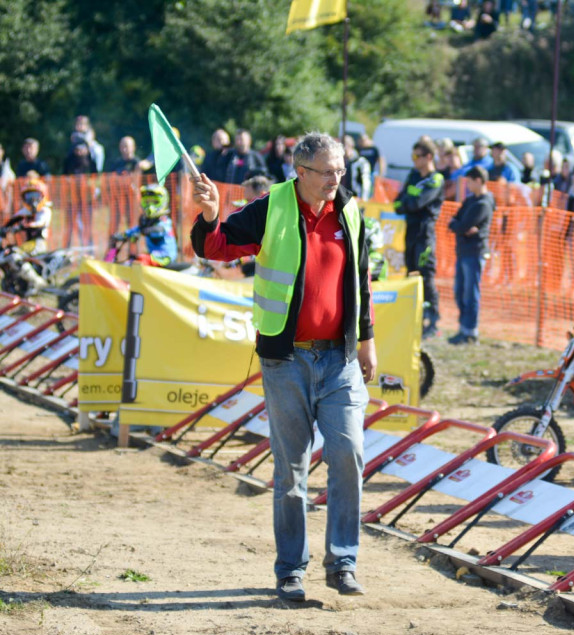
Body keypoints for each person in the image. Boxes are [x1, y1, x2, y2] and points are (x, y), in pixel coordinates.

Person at [190, 131, 375, 602]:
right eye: (327, 171)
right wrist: (210, 215)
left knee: (348, 453)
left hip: (339, 359)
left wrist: (367, 341)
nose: (336, 179)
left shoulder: (349, 210)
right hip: (286, 358)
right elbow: (216, 248)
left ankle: (343, 562)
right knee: (291, 471)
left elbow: (361, 279)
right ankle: (291, 570)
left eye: (340, 170)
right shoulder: (270, 207)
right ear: (300, 171)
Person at [395, 138, 445, 337]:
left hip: (425, 234)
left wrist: (408, 203)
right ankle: (414, 319)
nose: (414, 160)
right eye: (412, 155)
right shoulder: (413, 175)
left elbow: (417, 203)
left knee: (426, 275)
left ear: (429, 157)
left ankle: (432, 322)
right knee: (411, 272)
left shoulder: (436, 179)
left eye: (417, 156)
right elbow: (398, 203)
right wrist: (408, 203)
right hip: (411, 231)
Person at [447, 166, 494, 345]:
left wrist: (460, 226)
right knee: (460, 292)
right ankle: (463, 329)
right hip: (463, 251)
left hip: (474, 252)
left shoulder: (483, 203)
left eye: (470, 181)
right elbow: (455, 222)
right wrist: (460, 227)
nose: (467, 185)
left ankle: (470, 331)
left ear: (479, 181)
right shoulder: (470, 201)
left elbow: (461, 225)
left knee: (470, 294)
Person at [2, 179, 52, 295]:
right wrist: (5, 228)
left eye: (35, 195)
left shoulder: (44, 210)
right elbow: (12, 220)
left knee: (15, 255)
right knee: (11, 254)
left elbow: (39, 223)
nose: (32, 199)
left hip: (38, 243)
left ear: (42, 195)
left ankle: (37, 281)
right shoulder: (25, 211)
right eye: (29, 196)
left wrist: (21, 227)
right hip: (29, 244)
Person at [112, 184, 178, 267]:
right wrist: (124, 235)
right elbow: (138, 229)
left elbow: (161, 230)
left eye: (155, 202)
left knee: (140, 260)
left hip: (165, 257)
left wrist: (145, 231)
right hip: (153, 255)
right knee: (133, 259)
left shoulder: (164, 220)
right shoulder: (147, 221)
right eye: (147, 202)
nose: (150, 206)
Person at [341, 135, 372, 200]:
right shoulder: (340, 162)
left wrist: (364, 198)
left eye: (345, 145)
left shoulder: (361, 162)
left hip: (356, 197)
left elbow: (366, 181)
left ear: (351, 146)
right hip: (342, 197)